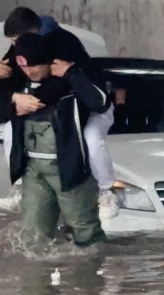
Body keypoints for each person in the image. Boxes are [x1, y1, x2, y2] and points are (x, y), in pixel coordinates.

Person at [0, 7, 119, 221]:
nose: (13, 47)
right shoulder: (27, 45)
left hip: (88, 103)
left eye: (15, 40)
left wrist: (34, 102)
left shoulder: (64, 43)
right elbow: (6, 72)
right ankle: (19, 188)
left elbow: (66, 85)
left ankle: (106, 192)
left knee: (91, 139)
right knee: (10, 131)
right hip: (60, 109)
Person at [7, 32, 110, 247]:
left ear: (48, 63)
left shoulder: (68, 84)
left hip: (68, 169)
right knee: (32, 237)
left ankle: (92, 276)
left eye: (32, 66)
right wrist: (14, 98)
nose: (28, 72)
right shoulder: (20, 84)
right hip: (33, 171)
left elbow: (100, 102)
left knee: (86, 233)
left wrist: (72, 72)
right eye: (24, 68)